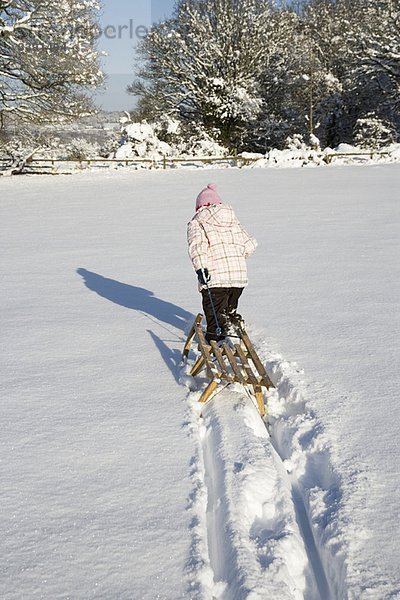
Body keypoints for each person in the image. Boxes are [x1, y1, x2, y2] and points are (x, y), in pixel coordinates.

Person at [187, 183, 257, 343]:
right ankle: (230, 321)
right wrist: (236, 257)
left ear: (200, 206)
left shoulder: (197, 222)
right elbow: (250, 244)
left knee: (215, 314)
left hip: (215, 278)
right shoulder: (232, 221)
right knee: (227, 308)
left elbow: (197, 247)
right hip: (238, 277)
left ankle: (215, 341)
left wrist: (201, 268)